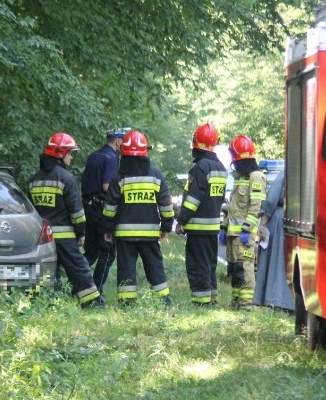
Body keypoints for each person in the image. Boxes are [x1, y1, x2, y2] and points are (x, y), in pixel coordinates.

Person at [29, 132, 104, 308]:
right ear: (60, 154)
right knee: (79, 269)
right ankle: (92, 302)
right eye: (70, 153)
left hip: (43, 238)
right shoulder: (66, 178)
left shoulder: (33, 180)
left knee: (48, 270)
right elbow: (77, 211)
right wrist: (81, 233)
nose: (71, 157)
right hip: (64, 236)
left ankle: (48, 303)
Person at [102, 130, 175, 304]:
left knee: (126, 268)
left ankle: (127, 303)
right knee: (155, 266)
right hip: (150, 234)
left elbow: (110, 207)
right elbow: (166, 205)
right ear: (145, 151)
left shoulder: (118, 177)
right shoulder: (156, 175)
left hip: (125, 235)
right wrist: (166, 227)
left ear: (123, 152)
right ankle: (163, 301)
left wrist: (108, 228)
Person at [175, 123, 227, 306]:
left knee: (198, 265)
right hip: (213, 227)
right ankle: (211, 298)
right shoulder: (220, 167)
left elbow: (192, 199)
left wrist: (181, 221)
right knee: (210, 264)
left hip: (198, 228)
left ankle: (201, 302)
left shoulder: (200, 168)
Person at [219, 135, 266, 310]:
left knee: (245, 268)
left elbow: (255, 207)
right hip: (233, 233)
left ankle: (246, 305)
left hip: (244, 234)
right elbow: (233, 206)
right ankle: (236, 302)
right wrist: (224, 225)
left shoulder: (256, 177)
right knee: (235, 268)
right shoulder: (241, 176)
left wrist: (247, 230)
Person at [81, 128, 129, 296]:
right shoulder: (112, 158)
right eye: (124, 142)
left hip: (88, 208)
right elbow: (107, 186)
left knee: (91, 252)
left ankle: (77, 287)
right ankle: (96, 291)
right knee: (107, 253)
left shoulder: (94, 155)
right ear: (118, 142)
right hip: (101, 210)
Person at [253, 168, 295, 311]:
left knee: (275, 259)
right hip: (297, 220)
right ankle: (290, 302)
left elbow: (272, 198)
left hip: (279, 219)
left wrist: (263, 223)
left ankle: (274, 299)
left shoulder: (286, 172)